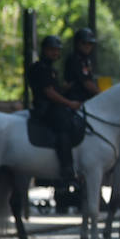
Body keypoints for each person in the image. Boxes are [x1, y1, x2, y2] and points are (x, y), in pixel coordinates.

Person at [26, 35, 80, 182]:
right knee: (64, 125)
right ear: (44, 50)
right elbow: (48, 92)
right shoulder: (40, 68)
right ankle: (66, 166)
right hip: (46, 109)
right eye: (51, 50)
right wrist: (70, 103)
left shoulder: (51, 70)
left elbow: (54, 89)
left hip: (54, 107)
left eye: (57, 50)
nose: (55, 53)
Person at [62, 28, 101, 103]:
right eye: (84, 43)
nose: (87, 46)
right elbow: (87, 84)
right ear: (77, 43)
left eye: (90, 43)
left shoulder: (86, 60)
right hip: (75, 101)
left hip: (85, 99)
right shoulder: (74, 59)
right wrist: (103, 94)